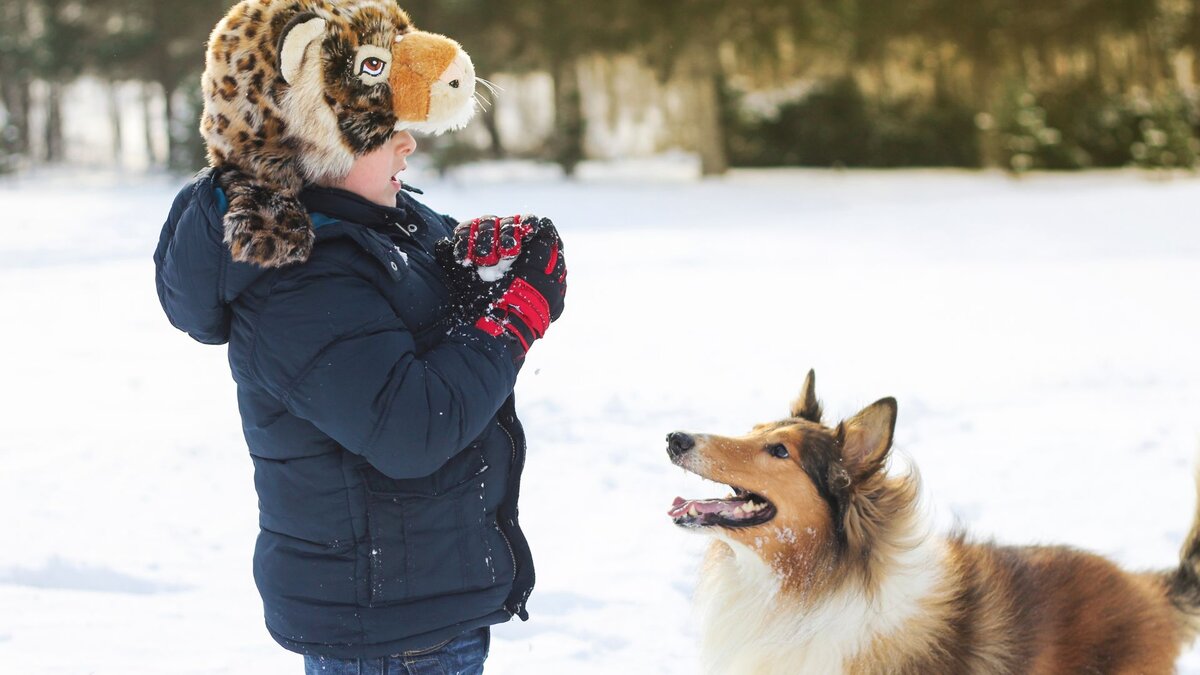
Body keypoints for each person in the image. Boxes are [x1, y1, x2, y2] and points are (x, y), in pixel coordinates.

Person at [154, 117, 566, 675]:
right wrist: (517, 316)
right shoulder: (298, 278)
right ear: (315, 140)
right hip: (387, 634)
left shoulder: (377, 219)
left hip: (421, 605)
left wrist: (487, 268)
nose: (408, 142)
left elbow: (427, 322)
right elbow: (413, 429)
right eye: (382, 129)